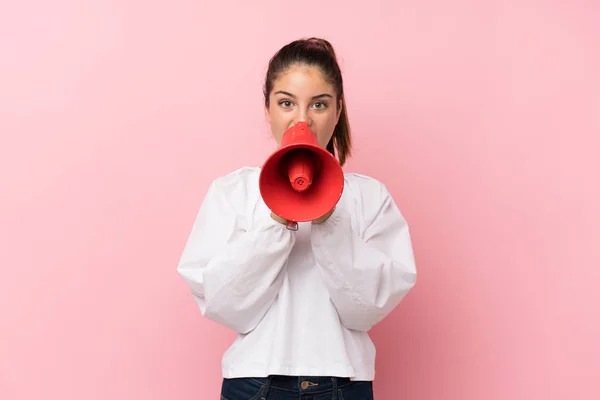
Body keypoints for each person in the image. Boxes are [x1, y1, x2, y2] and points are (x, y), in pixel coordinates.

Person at [177, 37, 417, 400]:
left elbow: (365, 311)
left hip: (343, 386)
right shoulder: (232, 192)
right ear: (268, 109)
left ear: (338, 111)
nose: (301, 120)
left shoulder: (370, 197)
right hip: (253, 385)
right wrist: (275, 223)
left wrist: (329, 223)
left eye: (318, 105)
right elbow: (226, 307)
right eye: (286, 103)